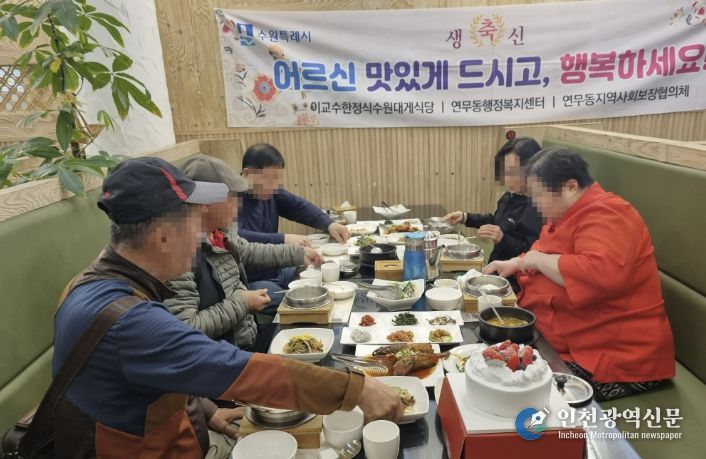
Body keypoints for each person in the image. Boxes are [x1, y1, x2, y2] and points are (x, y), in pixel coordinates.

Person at [50, 157, 402, 457]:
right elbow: (236, 369)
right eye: (194, 223)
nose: (202, 235)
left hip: (185, 425)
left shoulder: (91, 282)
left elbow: (153, 374)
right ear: (163, 236)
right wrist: (357, 389)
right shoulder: (131, 323)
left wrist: (205, 410)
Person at [483, 148, 675, 401]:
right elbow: (543, 250)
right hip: (560, 336)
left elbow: (599, 273)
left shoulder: (609, 214)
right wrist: (516, 263)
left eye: (539, 196)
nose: (535, 204)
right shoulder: (565, 214)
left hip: (615, 357)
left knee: (523, 395)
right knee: (489, 363)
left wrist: (537, 261)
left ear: (570, 187)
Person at [164, 155, 324, 350]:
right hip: (226, 356)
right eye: (231, 197)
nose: (238, 205)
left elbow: (249, 251)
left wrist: (298, 254)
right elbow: (185, 329)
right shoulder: (179, 255)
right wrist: (243, 303)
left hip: (248, 337)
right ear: (204, 203)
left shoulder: (219, 233)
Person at [237, 143, 350, 310]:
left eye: (277, 178)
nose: (275, 185)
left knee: (325, 275)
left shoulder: (271, 191)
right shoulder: (230, 200)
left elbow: (298, 206)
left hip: (278, 268)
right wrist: (283, 238)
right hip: (252, 279)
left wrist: (329, 224)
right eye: (269, 178)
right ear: (247, 174)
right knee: (298, 303)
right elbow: (238, 238)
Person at [444, 137, 543, 287]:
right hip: (493, 270)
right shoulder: (511, 195)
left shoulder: (541, 206)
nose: (507, 179)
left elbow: (534, 254)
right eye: (505, 172)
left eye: (513, 172)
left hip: (516, 281)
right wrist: (466, 217)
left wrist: (503, 238)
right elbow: (497, 220)